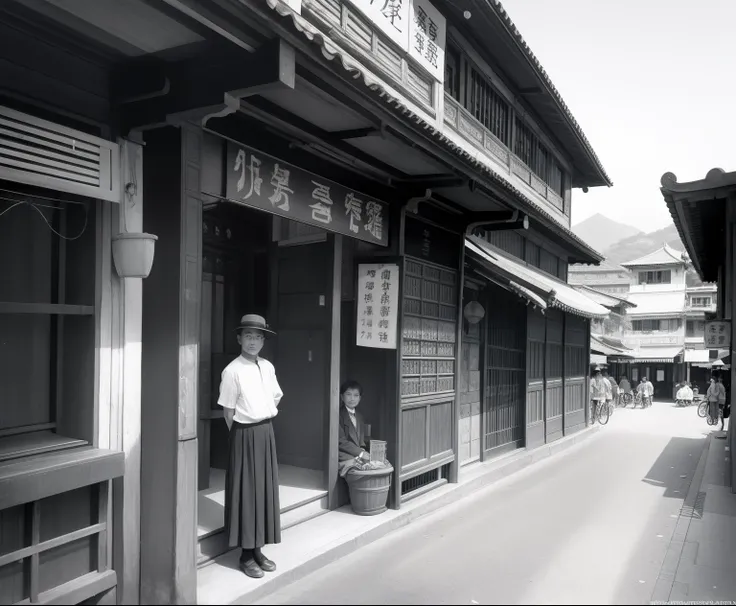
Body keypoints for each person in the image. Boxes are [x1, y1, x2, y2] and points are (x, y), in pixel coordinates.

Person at [218, 314, 283, 579]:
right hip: (243, 434)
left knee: (264, 490)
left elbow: (276, 396)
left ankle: (258, 548)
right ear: (239, 339)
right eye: (248, 336)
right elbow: (228, 411)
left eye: (258, 337)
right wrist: (244, 433)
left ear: (264, 340)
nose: (253, 341)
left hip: (266, 431)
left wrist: (262, 420)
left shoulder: (267, 367)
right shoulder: (232, 370)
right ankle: (245, 553)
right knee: (246, 492)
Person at [338, 380, 370, 476]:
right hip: (342, 454)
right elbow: (340, 441)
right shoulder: (338, 415)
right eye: (348, 394)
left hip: (356, 454)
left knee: (379, 464)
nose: (352, 398)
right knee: (360, 470)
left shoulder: (360, 416)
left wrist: (365, 451)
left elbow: (361, 441)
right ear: (342, 397)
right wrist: (360, 453)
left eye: (356, 395)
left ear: (360, 398)